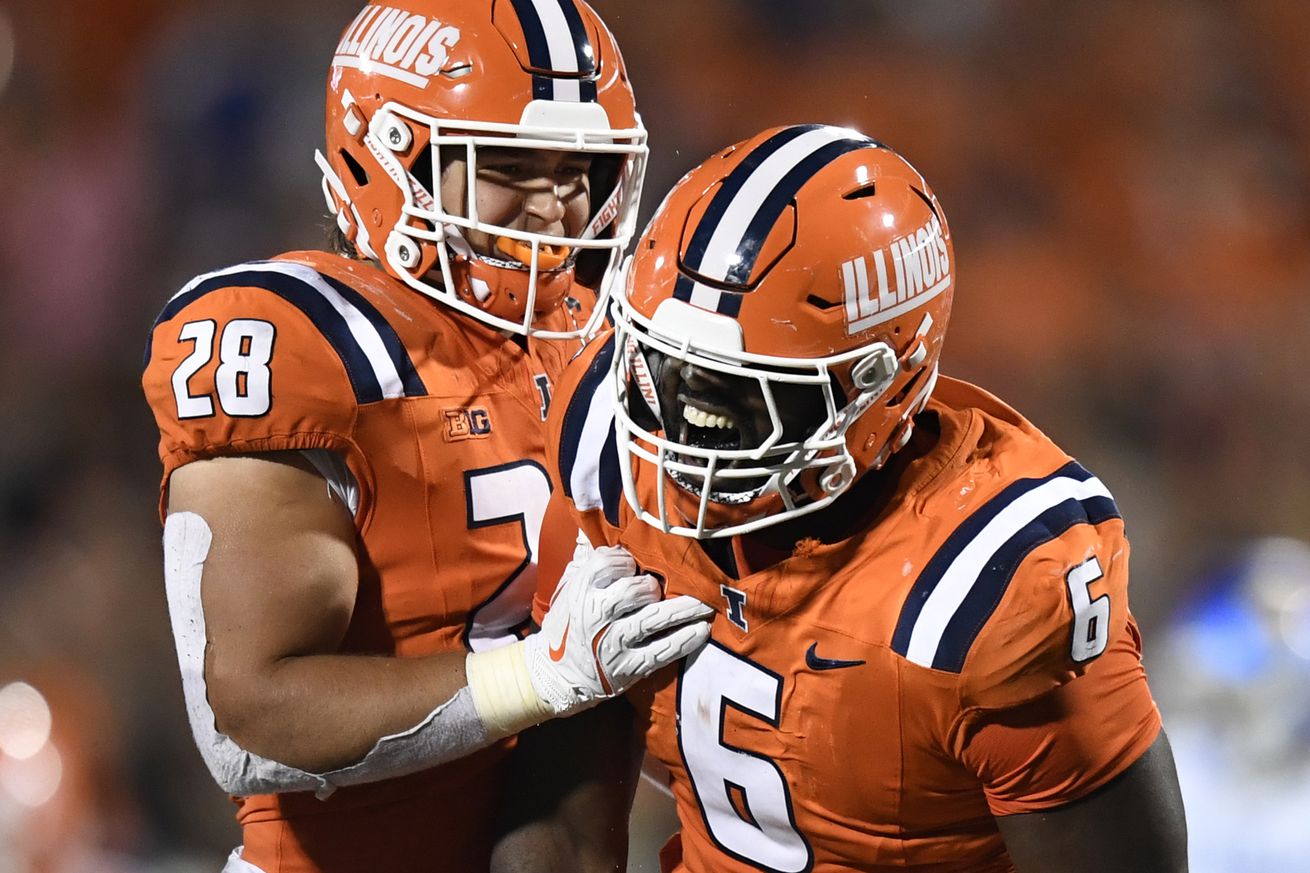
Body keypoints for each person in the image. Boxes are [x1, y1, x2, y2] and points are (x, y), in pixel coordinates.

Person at [505, 124, 1189, 872]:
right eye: (668, 365)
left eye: (749, 385)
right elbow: (562, 828)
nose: (687, 416)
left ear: (878, 385)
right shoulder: (607, 455)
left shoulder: (990, 586)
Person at [139, 2, 713, 871]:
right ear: (387, 156)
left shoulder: (600, 340)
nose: (557, 206)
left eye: (579, 170)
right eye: (514, 164)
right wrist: (537, 676)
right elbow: (245, 723)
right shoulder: (299, 341)